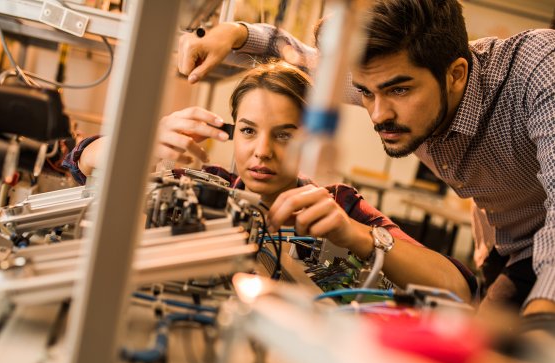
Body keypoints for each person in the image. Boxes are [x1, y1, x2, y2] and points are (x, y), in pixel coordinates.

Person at [176, 0, 555, 315]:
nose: (377, 114)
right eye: (365, 93)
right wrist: (236, 34)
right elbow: (298, 57)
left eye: (399, 90)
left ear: (455, 74)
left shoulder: (539, 70)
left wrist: (541, 321)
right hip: (513, 242)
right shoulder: (385, 80)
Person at [64, 62, 476, 302]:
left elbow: (458, 286)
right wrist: (140, 144)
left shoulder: (336, 205)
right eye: (247, 131)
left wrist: (357, 235)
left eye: (284, 135)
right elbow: (78, 160)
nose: (262, 151)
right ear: (231, 131)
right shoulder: (200, 183)